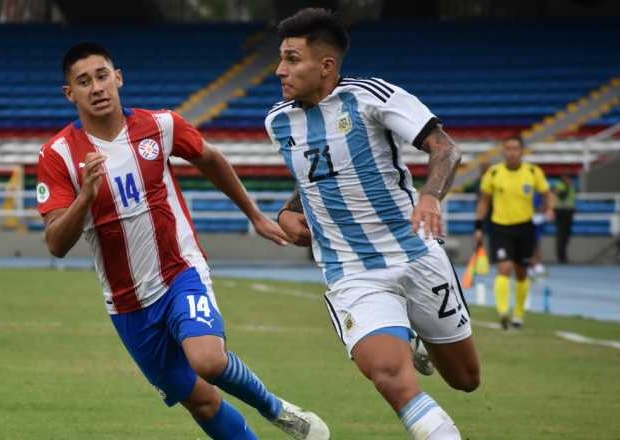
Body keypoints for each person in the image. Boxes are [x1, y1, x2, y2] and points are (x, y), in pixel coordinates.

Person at [37, 42, 328, 440]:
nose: (97, 88)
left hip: (179, 272)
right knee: (203, 401)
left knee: (208, 360)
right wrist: (85, 198)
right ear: (70, 93)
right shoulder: (59, 156)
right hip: (128, 305)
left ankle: (276, 410)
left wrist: (255, 215)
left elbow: (210, 158)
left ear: (118, 77)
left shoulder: (161, 126)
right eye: (83, 82)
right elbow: (55, 242)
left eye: (102, 76)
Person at [268, 9, 480, 440]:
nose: (280, 70)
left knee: (465, 379)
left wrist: (429, 197)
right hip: (350, 270)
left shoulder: (373, 97)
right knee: (388, 375)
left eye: (291, 59)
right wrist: (288, 211)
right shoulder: (279, 121)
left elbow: (445, 149)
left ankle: (418, 338)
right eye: (281, 59)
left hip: (415, 254)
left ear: (326, 66)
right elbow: (317, 174)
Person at [475, 135, 556, 330]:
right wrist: (478, 227)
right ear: (503, 151)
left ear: (522, 151)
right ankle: (503, 312)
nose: (511, 152)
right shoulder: (494, 173)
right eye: (508, 148)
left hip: (525, 228)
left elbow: (548, 193)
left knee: (521, 273)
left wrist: (549, 208)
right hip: (500, 228)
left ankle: (518, 315)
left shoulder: (532, 172)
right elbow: (484, 201)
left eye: (515, 148)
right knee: (504, 268)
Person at [552, 174, 577, 263]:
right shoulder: (560, 185)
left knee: (566, 235)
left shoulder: (572, 186)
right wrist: (567, 187)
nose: (568, 180)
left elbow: (572, 199)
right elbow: (559, 196)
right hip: (561, 212)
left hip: (569, 212)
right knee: (561, 235)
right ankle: (561, 257)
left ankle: (564, 256)